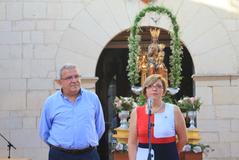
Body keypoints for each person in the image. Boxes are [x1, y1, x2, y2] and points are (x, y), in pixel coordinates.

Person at [39, 63, 105, 160]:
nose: (74, 80)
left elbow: (100, 128)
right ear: (60, 82)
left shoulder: (92, 98)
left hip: (88, 155)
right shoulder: (51, 102)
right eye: (69, 77)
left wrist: (86, 144)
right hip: (60, 155)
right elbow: (44, 132)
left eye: (77, 76)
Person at [128, 74, 187, 160]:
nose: (154, 89)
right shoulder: (136, 112)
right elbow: (132, 143)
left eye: (159, 86)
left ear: (163, 91)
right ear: (145, 91)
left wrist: (171, 152)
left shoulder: (174, 110)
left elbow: (183, 138)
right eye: (150, 86)